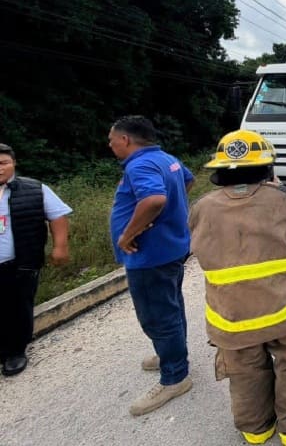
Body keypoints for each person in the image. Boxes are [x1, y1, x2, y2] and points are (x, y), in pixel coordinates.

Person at [189, 129, 286, 446]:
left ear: (219, 170)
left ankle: (256, 429)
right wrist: (284, 189)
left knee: (244, 372)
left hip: (231, 318)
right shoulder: (282, 200)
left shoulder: (202, 207)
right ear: (268, 169)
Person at [108, 116, 194, 416]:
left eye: (112, 140)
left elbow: (154, 199)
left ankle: (175, 376)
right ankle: (173, 354)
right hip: (170, 248)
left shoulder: (139, 164)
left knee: (157, 315)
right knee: (171, 305)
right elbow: (187, 180)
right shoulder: (165, 158)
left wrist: (127, 234)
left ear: (126, 140)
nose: (110, 145)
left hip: (150, 255)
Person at [0, 143, 71, 377]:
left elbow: (57, 216)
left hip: (20, 262)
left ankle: (15, 352)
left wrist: (60, 247)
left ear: (14, 164)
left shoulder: (34, 189)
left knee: (18, 307)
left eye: (3, 163)